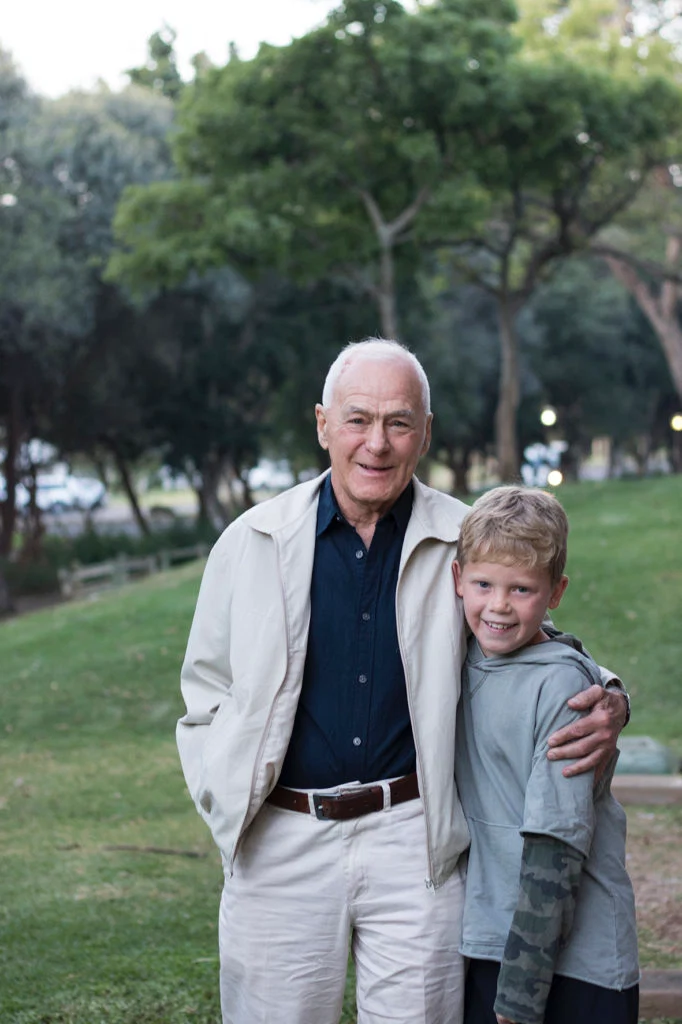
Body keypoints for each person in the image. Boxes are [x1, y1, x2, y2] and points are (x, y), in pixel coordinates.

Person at [177, 338, 629, 1024]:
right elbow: (203, 689)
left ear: (425, 433)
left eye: (399, 423)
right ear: (324, 424)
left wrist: (613, 696)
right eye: (358, 420)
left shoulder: (463, 538)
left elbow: (526, 632)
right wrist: (224, 794)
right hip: (281, 839)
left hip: (415, 841)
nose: (377, 444)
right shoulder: (251, 541)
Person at [453, 486, 639, 1024]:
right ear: (457, 579)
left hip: (568, 963)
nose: (499, 606)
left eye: (522, 589)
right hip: (493, 938)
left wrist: (519, 994)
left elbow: (555, 846)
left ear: (555, 592)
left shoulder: (563, 689)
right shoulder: (464, 657)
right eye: (484, 584)